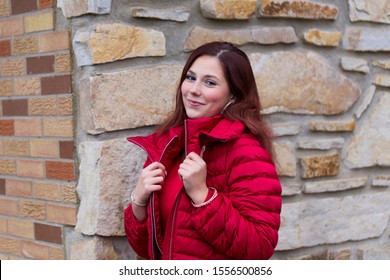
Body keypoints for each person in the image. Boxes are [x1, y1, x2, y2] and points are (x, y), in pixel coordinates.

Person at [124, 41, 282, 260]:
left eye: (210, 82)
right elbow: (148, 250)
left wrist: (203, 195)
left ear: (234, 95)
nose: (194, 90)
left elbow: (259, 248)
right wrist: (139, 200)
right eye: (190, 78)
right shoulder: (168, 146)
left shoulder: (247, 152)